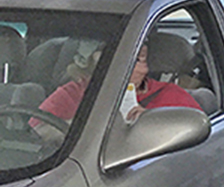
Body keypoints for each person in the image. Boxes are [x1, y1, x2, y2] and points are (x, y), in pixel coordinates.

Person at [34, 40, 201, 139]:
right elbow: (34, 135)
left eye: (135, 60)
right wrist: (82, 126)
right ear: (90, 66)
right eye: (108, 61)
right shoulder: (72, 93)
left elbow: (198, 140)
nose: (121, 68)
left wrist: (152, 124)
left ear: (146, 66)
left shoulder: (172, 96)